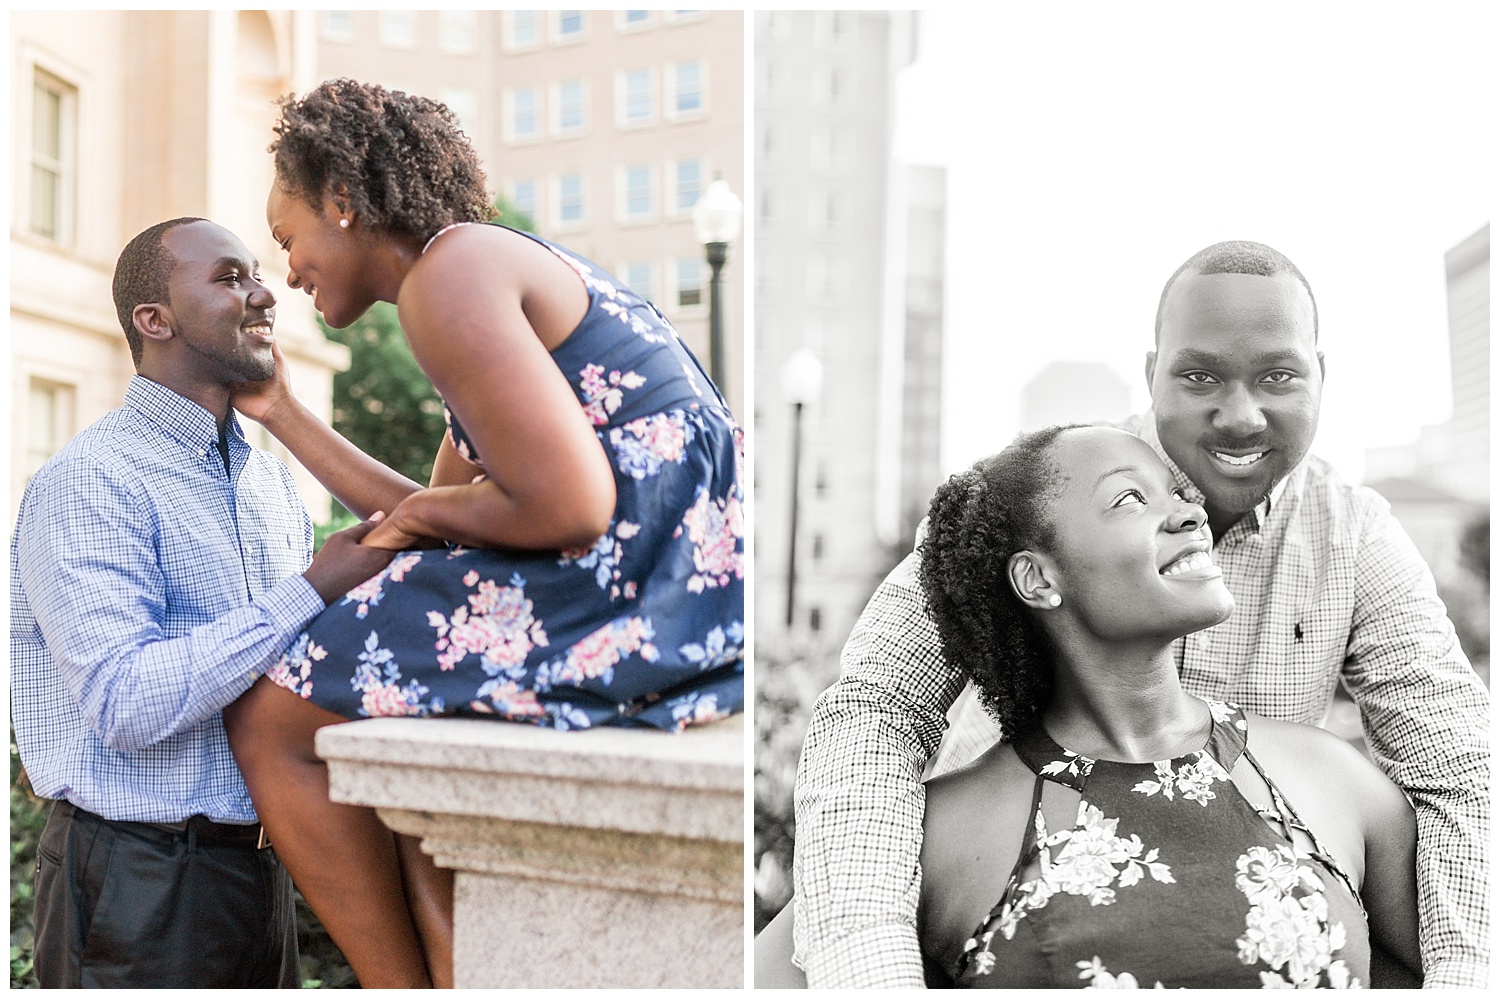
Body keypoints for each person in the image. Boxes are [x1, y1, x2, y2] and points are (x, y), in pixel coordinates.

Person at [791, 241, 1489, 987]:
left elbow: (1460, 762)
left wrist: (1467, 977)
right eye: (1199, 375)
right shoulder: (1036, 499)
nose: (1241, 415)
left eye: (1279, 375)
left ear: (1323, 375)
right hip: (1009, 884)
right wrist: (875, 960)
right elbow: (875, 709)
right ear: (1153, 370)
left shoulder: (1354, 541)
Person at [221, 79, 745, 988]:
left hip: (632, 574)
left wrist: (428, 514)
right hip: (680, 568)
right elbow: (444, 512)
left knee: (270, 714)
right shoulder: (471, 272)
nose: (289, 272)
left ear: (342, 204)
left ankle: (394, 985)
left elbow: (567, 508)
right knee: (384, 671)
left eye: (287, 238)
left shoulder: (449, 278)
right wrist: (283, 413)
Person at [761, 426, 1423, 987]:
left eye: (1179, 494)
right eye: (1131, 498)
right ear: (1039, 578)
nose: (1191, 514)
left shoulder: (1333, 781)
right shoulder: (935, 835)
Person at [10, 217, 397, 988]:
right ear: (154, 320)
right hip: (136, 882)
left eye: (255, 272)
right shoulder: (92, 480)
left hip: (264, 871)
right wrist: (311, 588)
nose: (263, 293)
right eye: (228, 278)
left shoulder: (271, 481)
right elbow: (124, 701)